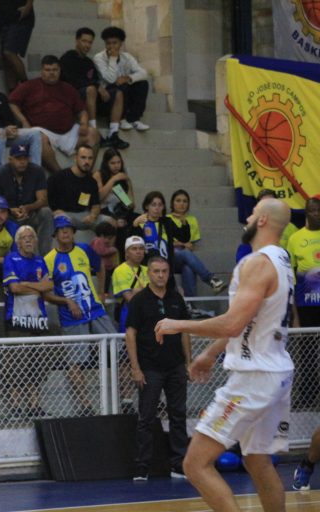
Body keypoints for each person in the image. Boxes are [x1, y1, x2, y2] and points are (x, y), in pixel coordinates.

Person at [154, 197, 294, 512]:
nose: (248, 218)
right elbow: (249, 321)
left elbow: (232, 324)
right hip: (277, 372)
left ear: (261, 221)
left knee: (195, 464)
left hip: (254, 377)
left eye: (253, 213)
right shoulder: (283, 261)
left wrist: (179, 324)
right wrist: (210, 353)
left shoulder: (257, 264)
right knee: (257, 461)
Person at [126, 255, 190, 480]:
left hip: (175, 366)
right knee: (146, 417)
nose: (161, 275)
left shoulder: (176, 298)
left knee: (178, 415)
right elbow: (130, 334)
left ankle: (178, 464)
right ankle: (142, 466)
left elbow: (184, 331)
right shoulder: (139, 300)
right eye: (156, 271)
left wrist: (188, 362)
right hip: (150, 368)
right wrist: (135, 368)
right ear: (148, 273)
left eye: (164, 271)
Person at [44, 216, 114, 414]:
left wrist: (101, 292)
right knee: (75, 362)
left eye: (69, 229)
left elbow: (100, 267)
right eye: (61, 230)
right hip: (71, 317)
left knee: (117, 347)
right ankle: (85, 405)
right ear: (55, 235)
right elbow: (46, 293)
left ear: (74, 232)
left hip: (95, 309)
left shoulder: (84, 249)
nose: (65, 232)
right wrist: (66, 301)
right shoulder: (49, 259)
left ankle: (121, 399)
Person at [9, 55, 100, 173]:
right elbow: (12, 102)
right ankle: (59, 174)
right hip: (43, 131)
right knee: (37, 137)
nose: (51, 73)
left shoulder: (68, 88)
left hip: (68, 132)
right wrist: (24, 121)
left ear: (59, 70)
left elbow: (82, 110)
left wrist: (84, 123)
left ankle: (87, 173)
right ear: (42, 70)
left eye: (55, 70)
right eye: (48, 70)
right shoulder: (29, 86)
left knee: (93, 133)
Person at [3, 225, 51, 417]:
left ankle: (34, 404)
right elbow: (14, 288)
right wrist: (38, 287)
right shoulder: (11, 259)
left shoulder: (40, 260)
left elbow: (49, 286)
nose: (29, 240)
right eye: (24, 237)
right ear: (18, 242)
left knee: (37, 363)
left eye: (32, 237)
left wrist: (27, 285)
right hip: (16, 317)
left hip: (38, 319)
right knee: (16, 363)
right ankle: (15, 405)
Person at [59, 27, 129, 150]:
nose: (87, 45)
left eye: (90, 42)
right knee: (91, 89)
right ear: (77, 41)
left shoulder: (89, 62)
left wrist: (99, 87)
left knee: (117, 93)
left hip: (91, 99)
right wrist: (96, 86)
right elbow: (72, 81)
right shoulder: (68, 57)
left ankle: (113, 134)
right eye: (84, 41)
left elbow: (95, 80)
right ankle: (94, 132)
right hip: (73, 98)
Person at [286, 195, 320, 413]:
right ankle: (307, 397)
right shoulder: (295, 239)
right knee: (307, 353)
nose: (316, 214)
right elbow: (290, 278)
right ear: (306, 213)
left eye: (319, 211)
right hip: (306, 306)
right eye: (312, 210)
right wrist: (295, 315)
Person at [0, 143, 53, 254]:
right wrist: (8, 210)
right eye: (18, 158)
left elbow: (43, 200)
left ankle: (45, 256)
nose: (22, 162)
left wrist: (28, 208)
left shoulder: (37, 171)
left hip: (30, 215)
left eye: (25, 158)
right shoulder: (1, 173)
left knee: (46, 212)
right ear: (10, 159)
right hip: (8, 217)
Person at [0, 59, 43, 165]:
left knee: (35, 133)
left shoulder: (1, 96)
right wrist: (4, 130)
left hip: (5, 133)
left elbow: (9, 120)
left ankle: (36, 171)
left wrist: (11, 129)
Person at [48, 143, 116, 243]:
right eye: (83, 158)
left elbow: (96, 206)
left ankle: (107, 251)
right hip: (64, 214)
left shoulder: (92, 182)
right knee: (63, 219)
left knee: (111, 222)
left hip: (84, 215)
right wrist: (55, 211)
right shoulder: (58, 177)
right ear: (75, 158)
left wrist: (93, 216)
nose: (87, 161)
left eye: (90, 158)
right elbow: (47, 201)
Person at [168, 189, 226, 296]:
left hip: (185, 257)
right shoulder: (166, 219)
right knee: (183, 252)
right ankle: (210, 278)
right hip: (170, 258)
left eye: (185, 201)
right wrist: (182, 244)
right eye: (178, 201)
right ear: (172, 203)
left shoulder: (192, 219)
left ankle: (190, 302)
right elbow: (165, 243)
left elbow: (192, 244)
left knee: (188, 267)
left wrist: (188, 246)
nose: (182, 204)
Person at [93, 26, 150, 132]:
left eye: (115, 43)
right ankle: (121, 119)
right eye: (108, 43)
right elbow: (110, 79)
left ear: (121, 44)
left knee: (142, 84)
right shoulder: (99, 58)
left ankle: (134, 119)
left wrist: (129, 77)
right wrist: (113, 58)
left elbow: (144, 73)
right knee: (120, 85)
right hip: (107, 94)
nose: (111, 46)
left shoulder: (127, 57)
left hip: (124, 90)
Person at [131, 191, 190, 290]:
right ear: (146, 206)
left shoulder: (167, 222)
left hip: (166, 268)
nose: (157, 208)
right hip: (147, 269)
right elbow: (130, 246)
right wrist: (134, 225)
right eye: (153, 205)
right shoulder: (140, 222)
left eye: (160, 205)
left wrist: (184, 222)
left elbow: (184, 238)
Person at [92, 147, 136, 251]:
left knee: (135, 220)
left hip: (118, 211)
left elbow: (130, 205)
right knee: (115, 224)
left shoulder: (122, 178)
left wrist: (128, 182)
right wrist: (113, 179)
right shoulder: (99, 175)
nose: (116, 166)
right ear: (106, 163)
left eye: (118, 162)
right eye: (112, 163)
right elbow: (99, 197)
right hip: (102, 211)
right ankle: (111, 252)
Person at [0, 0, 34, 91]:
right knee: (5, 59)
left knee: (9, 52)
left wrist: (28, 6)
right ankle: (13, 92)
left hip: (20, 17)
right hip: (4, 17)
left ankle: (27, 86)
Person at [111, 236, 148, 332]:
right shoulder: (119, 270)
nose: (138, 252)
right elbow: (129, 298)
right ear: (127, 253)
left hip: (148, 311)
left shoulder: (148, 269)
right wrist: (145, 290)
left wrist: (136, 291)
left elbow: (156, 292)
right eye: (134, 249)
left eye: (141, 248)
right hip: (129, 311)